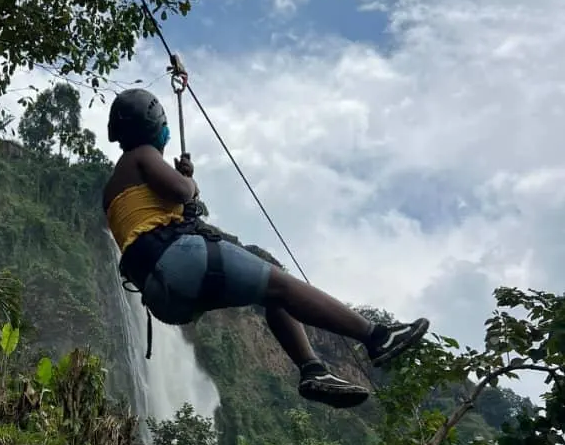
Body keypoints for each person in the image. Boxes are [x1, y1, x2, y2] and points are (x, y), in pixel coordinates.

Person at [103, 88, 429, 408]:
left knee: (272, 296)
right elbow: (180, 191)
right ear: (154, 125)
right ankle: (376, 337)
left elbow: (152, 211)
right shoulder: (143, 154)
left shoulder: (114, 187)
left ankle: (313, 370)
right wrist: (189, 180)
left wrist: (182, 190)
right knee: (283, 285)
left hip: (161, 295)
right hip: (178, 258)